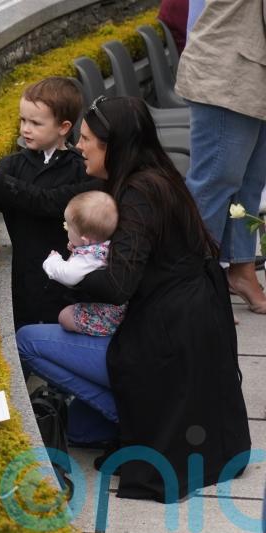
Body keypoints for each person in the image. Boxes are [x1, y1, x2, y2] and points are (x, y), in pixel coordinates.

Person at [16, 96, 251, 502]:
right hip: (186, 331)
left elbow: (118, 285)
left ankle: (130, 419)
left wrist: (66, 276)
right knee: (81, 432)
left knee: (27, 340)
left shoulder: (138, 195)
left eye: (87, 139)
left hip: (164, 342)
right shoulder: (156, 176)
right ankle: (120, 417)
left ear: (114, 145)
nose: (79, 147)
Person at [0, 77, 102, 330]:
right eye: (23, 120)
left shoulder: (79, 169)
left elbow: (41, 200)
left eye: (36, 123)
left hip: (62, 278)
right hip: (24, 272)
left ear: (63, 127)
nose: (25, 129)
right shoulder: (13, 164)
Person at [175, 0, 266, 313]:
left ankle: (241, 271)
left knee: (249, 182)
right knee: (215, 181)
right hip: (227, 73)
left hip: (249, 71)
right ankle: (189, 287)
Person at [43, 191, 126, 337]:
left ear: (85, 239)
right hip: (114, 305)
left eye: (69, 228)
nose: (67, 230)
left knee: (64, 316)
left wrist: (52, 262)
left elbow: (68, 275)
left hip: (110, 316)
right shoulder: (104, 244)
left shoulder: (90, 257)